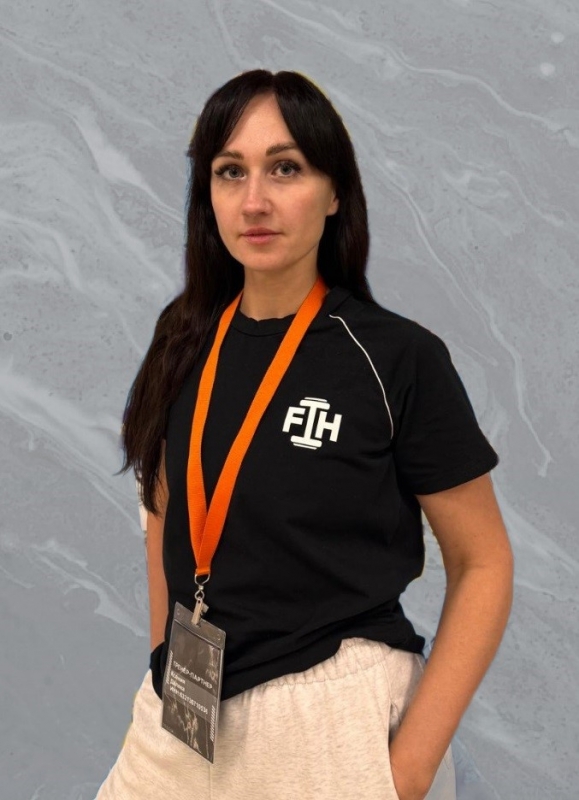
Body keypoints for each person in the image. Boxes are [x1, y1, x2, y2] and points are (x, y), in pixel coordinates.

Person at [95, 69, 514, 800]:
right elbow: (164, 508)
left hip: (331, 725)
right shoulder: (182, 338)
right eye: (231, 172)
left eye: (284, 169)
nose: (254, 201)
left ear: (335, 192)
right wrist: (167, 656)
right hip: (182, 718)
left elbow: (483, 562)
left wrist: (409, 767)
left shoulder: (395, 357)